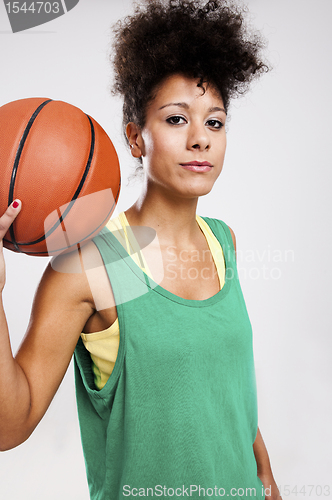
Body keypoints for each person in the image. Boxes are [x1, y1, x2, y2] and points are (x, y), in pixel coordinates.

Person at [0, 0, 282, 498]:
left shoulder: (223, 242)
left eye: (214, 123)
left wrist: (264, 478)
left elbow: (225, 388)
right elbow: (10, 424)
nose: (200, 140)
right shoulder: (93, 264)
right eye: (176, 120)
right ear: (135, 137)